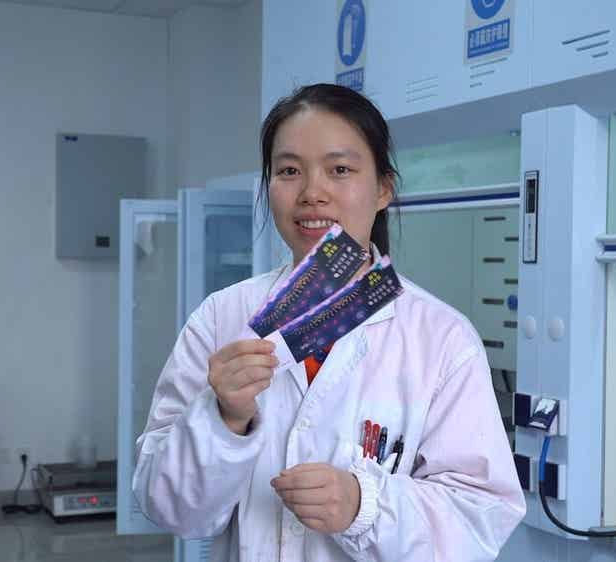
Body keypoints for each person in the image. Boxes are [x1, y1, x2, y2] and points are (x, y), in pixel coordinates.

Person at [133, 83, 525, 561]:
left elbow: (480, 518)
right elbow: (168, 509)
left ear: (383, 189)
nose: (312, 193)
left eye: (340, 170)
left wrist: (364, 505)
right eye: (289, 171)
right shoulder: (221, 316)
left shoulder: (442, 338)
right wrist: (224, 419)